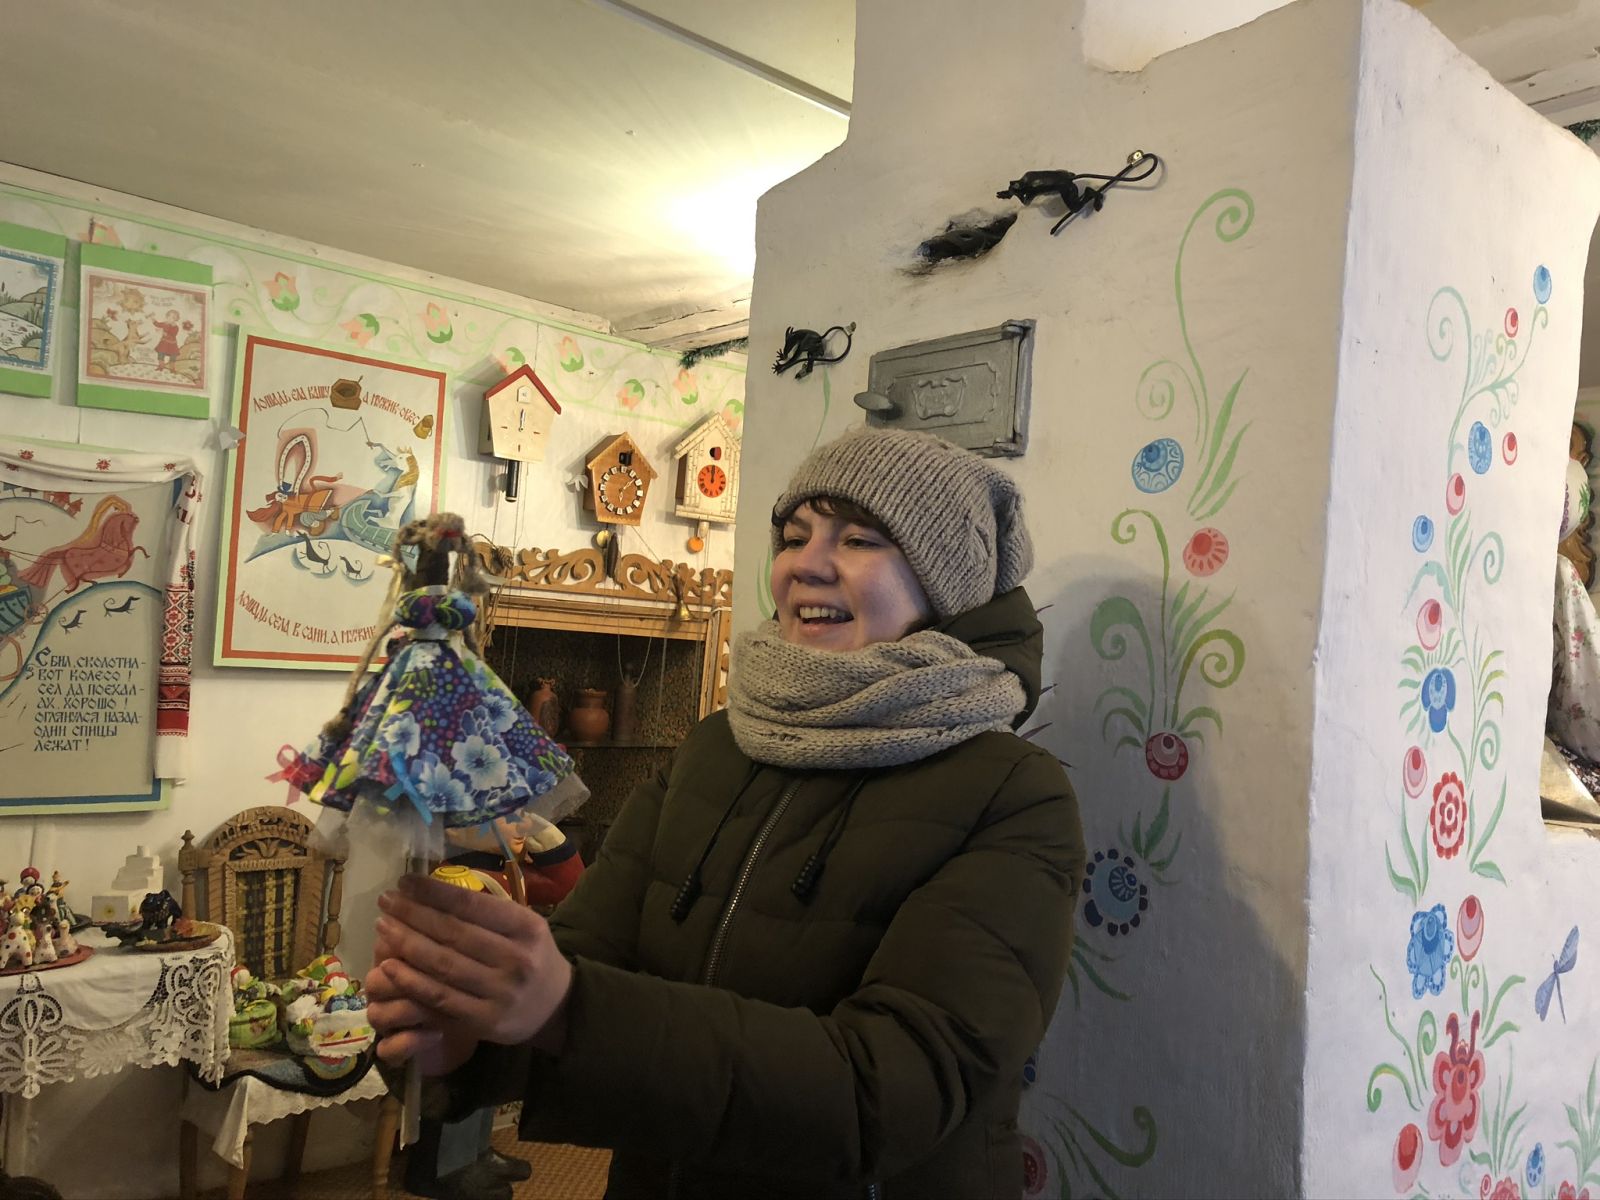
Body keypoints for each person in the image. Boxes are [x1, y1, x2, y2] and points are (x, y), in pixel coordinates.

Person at [367, 427, 1087, 1199]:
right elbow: (586, 956)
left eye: (858, 539)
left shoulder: (1014, 795)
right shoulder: (716, 748)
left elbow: (891, 1091)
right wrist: (473, 1033)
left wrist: (569, 1010)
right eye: (795, 536)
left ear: (945, 582)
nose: (805, 563)